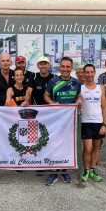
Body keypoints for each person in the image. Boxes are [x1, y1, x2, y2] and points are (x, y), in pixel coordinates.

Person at [43, 56, 82, 186]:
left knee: (67, 145)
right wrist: (52, 103)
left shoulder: (76, 82)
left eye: (68, 67)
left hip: (70, 120)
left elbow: (78, 95)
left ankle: (64, 170)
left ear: (71, 68)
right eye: (63, 66)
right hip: (55, 120)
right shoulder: (53, 81)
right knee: (54, 145)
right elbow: (46, 95)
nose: (65, 69)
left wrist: (79, 100)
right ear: (60, 67)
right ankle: (53, 172)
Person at [80, 64, 106, 182]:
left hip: (98, 122)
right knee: (88, 148)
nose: (89, 74)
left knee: (96, 148)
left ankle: (92, 169)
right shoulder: (80, 88)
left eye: (91, 72)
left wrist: (104, 124)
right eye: (87, 72)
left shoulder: (100, 88)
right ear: (84, 73)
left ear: (94, 72)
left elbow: (105, 107)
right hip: (85, 122)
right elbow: (77, 102)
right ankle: (85, 170)